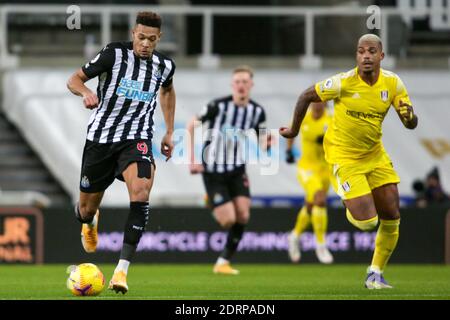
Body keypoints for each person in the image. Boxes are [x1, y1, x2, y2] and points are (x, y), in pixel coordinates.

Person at [279, 34, 418, 289]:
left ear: (381, 56)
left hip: (375, 156)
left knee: (391, 215)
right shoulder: (342, 83)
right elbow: (305, 96)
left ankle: (375, 273)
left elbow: (410, 120)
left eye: (371, 51)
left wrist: (410, 118)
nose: (366, 56)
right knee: (367, 222)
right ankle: (346, 202)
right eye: (361, 51)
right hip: (343, 159)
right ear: (356, 56)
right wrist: (294, 131)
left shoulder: (393, 83)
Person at [67, 11, 176, 294]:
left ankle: (121, 271)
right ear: (133, 33)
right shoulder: (113, 54)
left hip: (137, 139)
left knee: (141, 191)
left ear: (158, 38)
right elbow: (74, 80)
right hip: (101, 140)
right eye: (141, 37)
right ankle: (89, 221)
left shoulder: (164, 65)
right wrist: (86, 93)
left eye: (151, 39)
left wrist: (169, 131)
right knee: (85, 209)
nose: (145, 44)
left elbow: (167, 90)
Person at [187, 65, 271, 275]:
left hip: (236, 169)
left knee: (243, 215)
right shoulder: (217, 106)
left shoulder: (257, 111)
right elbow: (191, 126)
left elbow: (261, 139)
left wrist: (267, 143)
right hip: (213, 170)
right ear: (232, 85)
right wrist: (193, 159)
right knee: (228, 220)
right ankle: (210, 198)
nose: (241, 85)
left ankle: (223, 262)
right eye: (238, 82)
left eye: (245, 82)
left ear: (251, 85)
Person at [285, 101, 334, 264]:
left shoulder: (331, 119)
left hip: (326, 169)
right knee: (320, 199)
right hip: (307, 168)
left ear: (326, 102)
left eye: (321, 100)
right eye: (315, 100)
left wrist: (328, 140)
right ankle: (321, 245)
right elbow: (291, 131)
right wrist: (288, 150)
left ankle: (294, 236)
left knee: (311, 204)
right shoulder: (303, 118)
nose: (317, 104)